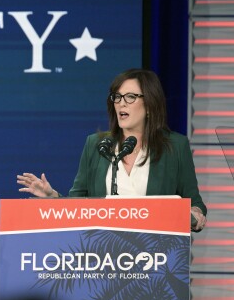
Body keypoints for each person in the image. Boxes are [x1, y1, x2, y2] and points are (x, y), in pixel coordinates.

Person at [17, 68, 207, 232]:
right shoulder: (97, 145)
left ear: (149, 105)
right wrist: (53, 197)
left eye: (130, 97)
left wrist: (194, 216)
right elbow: (77, 205)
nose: (121, 103)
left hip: (156, 258)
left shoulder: (175, 146)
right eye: (117, 97)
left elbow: (196, 206)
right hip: (104, 256)